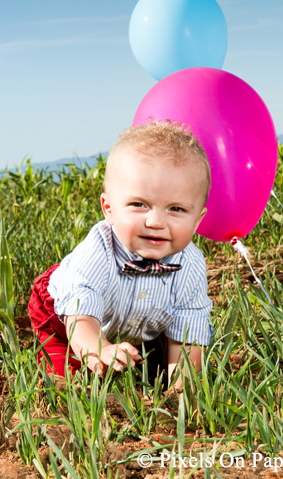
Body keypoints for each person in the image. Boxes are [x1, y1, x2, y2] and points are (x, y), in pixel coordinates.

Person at [28, 121, 212, 388]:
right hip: (66, 315)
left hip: (136, 316)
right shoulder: (98, 251)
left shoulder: (191, 266)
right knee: (70, 380)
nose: (156, 221)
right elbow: (80, 315)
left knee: (165, 365)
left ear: (197, 221)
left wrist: (182, 390)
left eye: (176, 209)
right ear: (109, 209)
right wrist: (98, 348)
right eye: (139, 204)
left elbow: (188, 334)